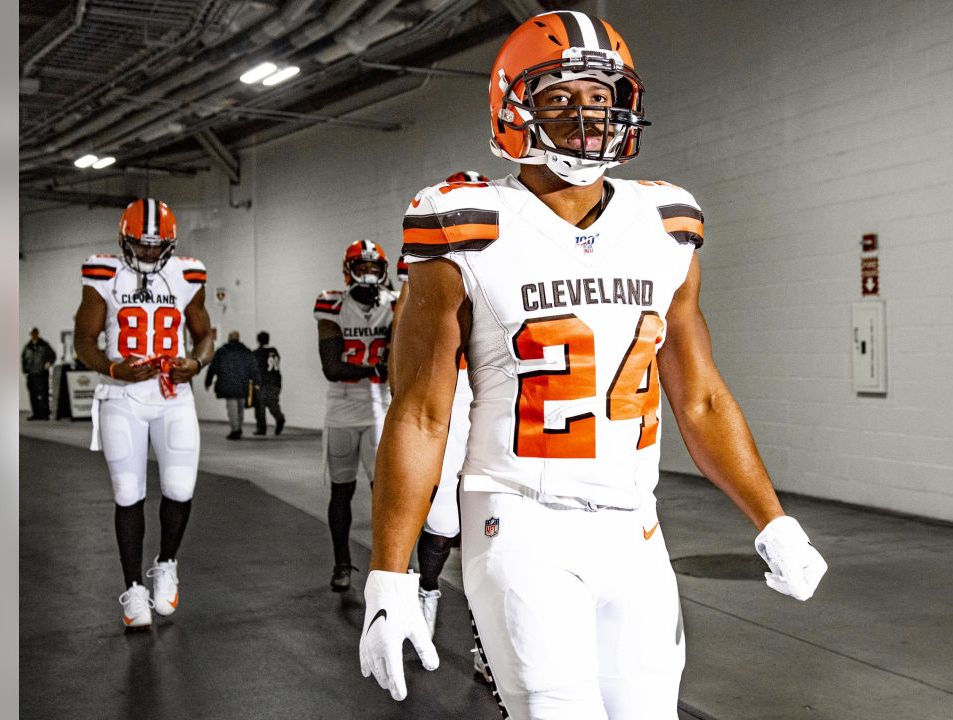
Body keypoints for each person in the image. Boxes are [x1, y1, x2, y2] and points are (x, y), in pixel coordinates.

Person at [359, 11, 828, 716]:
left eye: (601, 100)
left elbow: (697, 397)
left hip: (635, 527)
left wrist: (771, 518)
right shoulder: (467, 223)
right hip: (519, 519)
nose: (587, 119)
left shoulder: (667, 223)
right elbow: (423, 415)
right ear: (514, 108)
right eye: (561, 99)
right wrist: (389, 572)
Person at [72, 197, 214, 628]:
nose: (150, 252)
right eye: (142, 243)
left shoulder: (188, 273)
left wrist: (197, 361)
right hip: (122, 396)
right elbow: (84, 341)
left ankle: (166, 563)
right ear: (124, 238)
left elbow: (205, 332)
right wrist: (114, 368)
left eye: (157, 245)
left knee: (180, 487)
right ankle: (133, 590)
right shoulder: (102, 272)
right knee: (128, 492)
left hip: (173, 394)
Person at [391, 173, 487, 677]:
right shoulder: (423, 276)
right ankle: (427, 588)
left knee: (499, 526)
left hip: (506, 402)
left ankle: (488, 638)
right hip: (452, 397)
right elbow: (405, 366)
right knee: (447, 521)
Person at [315, 239, 398, 592]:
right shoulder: (331, 303)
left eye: (373, 268)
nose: (367, 275)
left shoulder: (395, 304)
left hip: (380, 406)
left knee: (386, 492)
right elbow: (332, 368)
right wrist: (378, 365)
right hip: (343, 408)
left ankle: (387, 564)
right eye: (360, 268)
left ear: (384, 271)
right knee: (341, 490)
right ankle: (342, 563)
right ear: (348, 271)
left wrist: (369, 367)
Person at [205, 331, 260, 440]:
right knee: (240, 406)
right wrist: (257, 381)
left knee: (232, 408)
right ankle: (238, 427)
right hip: (243, 383)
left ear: (229, 338)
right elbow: (253, 367)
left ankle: (235, 430)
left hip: (227, 384)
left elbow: (213, 368)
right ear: (238, 339)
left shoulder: (222, 351)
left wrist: (208, 381)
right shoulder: (246, 351)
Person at [253, 331, 286, 436]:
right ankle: (279, 418)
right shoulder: (274, 351)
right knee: (273, 404)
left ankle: (261, 429)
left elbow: (256, 369)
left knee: (260, 406)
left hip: (264, 383)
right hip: (276, 382)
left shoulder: (257, 353)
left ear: (258, 341)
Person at [21, 327, 57, 420]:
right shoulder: (27, 347)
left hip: (41, 374)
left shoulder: (44, 345)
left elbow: (52, 355)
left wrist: (49, 363)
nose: (34, 335)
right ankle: (36, 414)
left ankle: (45, 414)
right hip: (31, 374)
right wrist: (25, 370)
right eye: (32, 333)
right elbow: (24, 359)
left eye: (35, 333)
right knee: (33, 395)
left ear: (38, 334)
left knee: (43, 394)